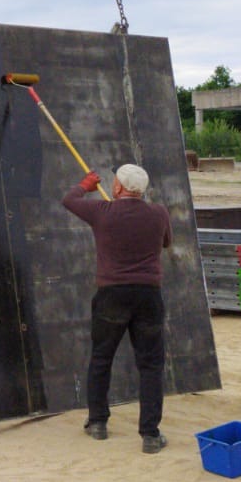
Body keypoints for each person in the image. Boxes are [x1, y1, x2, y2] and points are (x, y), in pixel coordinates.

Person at [62, 163, 173, 454]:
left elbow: (68, 201)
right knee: (151, 365)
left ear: (119, 188)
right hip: (148, 295)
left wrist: (85, 185)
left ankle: (97, 423)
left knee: (101, 358)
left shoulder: (102, 212)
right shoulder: (159, 213)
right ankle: (150, 434)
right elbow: (166, 242)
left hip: (111, 294)